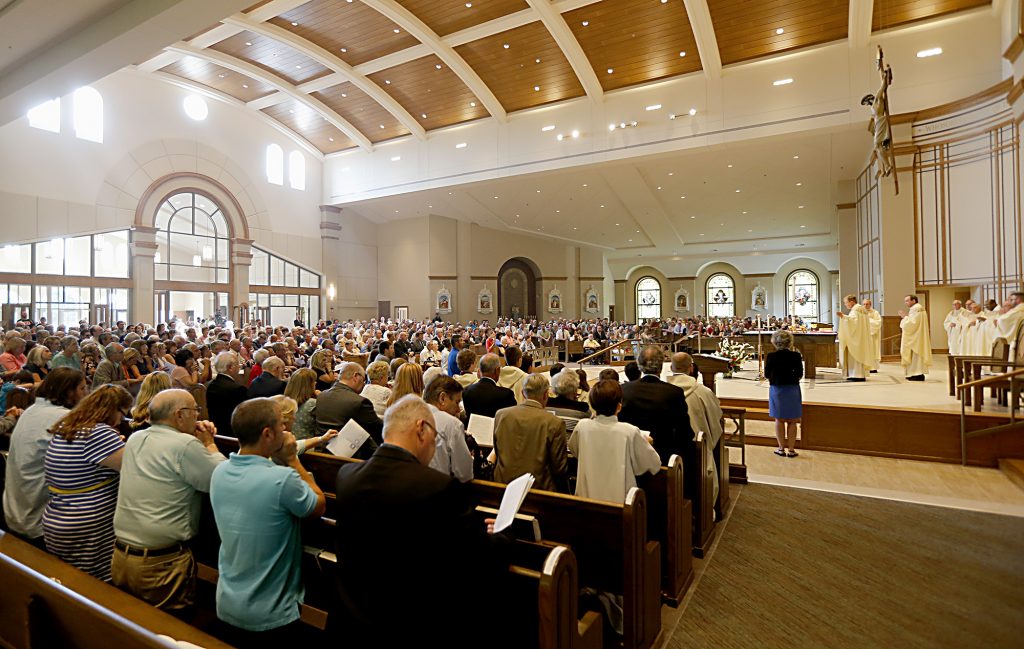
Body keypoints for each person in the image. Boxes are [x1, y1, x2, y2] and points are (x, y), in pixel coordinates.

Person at [332, 395, 510, 649]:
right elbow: (477, 559)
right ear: (422, 429)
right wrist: (502, 536)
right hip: (413, 626)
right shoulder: (437, 487)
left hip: (353, 621)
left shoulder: (347, 476)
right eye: (435, 437)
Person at [210, 398, 326, 644]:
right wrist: (293, 459)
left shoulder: (219, 471)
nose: (286, 431)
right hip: (271, 612)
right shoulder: (282, 479)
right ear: (267, 434)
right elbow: (318, 505)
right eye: (282, 426)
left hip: (227, 600)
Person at [111, 389, 226, 613]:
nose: (198, 416)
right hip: (160, 564)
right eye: (195, 410)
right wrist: (209, 444)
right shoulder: (184, 445)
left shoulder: (137, 437)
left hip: (121, 555)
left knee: (131, 621)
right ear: (179, 414)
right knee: (167, 629)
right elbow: (220, 480)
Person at [43, 385, 133, 580]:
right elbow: (134, 470)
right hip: (87, 524)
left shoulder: (67, 426)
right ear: (112, 410)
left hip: (59, 516)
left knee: (68, 581)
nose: (121, 421)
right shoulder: (99, 433)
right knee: (94, 585)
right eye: (123, 414)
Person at [3, 368, 88, 545]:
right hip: (39, 517)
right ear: (68, 391)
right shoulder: (64, 418)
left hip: (15, 510)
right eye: (82, 389)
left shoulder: (32, 410)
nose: (86, 394)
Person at [569, 379, 661, 503]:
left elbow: (574, 450)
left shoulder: (582, 426)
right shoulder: (629, 431)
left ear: (592, 404)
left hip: (585, 502)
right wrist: (647, 443)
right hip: (620, 505)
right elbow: (654, 464)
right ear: (619, 406)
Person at [492, 374, 569, 492]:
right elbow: (559, 468)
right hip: (538, 491)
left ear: (523, 393)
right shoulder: (555, 423)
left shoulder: (501, 415)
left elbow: (498, 451)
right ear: (545, 395)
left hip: (502, 486)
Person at [619, 346, 692, 466]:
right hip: (664, 459)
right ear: (661, 366)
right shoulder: (674, 392)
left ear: (639, 365)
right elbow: (684, 433)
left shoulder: (624, 390)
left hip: (629, 458)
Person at [664, 352, 723, 503]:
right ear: (691, 368)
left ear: (671, 367)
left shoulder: (663, 391)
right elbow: (717, 418)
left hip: (669, 449)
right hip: (697, 448)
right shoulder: (703, 392)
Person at [315, 362, 383, 451]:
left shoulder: (321, 395)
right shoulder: (360, 402)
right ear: (356, 376)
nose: (364, 384)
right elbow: (379, 430)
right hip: (347, 456)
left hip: (320, 451)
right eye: (363, 380)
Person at [422, 376, 473, 482]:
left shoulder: (407, 414)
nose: (458, 409)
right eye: (457, 402)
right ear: (443, 398)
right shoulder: (452, 424)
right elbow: (464, 474)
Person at [765, 330, 803, 457]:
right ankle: (791, 450)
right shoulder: (796, 356)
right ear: (789, 342)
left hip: (777, 389)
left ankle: (781, 448)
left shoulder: (771, 356)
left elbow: (766, 374)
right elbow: (800, 374)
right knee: (793, 420)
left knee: (779, 419)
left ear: (775, 342)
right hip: (792, 389)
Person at [462, 353, 516, 419]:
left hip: (473, 429)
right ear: (497, 370)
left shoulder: (466, 392)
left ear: (479, 371)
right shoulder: (506, 395)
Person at [206, 352, 248, 436]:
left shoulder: (210, 385)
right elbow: (244, 417)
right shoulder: (238, 389)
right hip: (233, 435)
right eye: (237, 365)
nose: (239, 367)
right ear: (230, 367)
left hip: (216, 433)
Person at [836, 294, 875, 381]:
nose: (845, 305)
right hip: (861, 338)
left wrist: (843, 317)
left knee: (854, 355)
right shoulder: (862, 309)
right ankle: (861, 374)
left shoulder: (855, 311)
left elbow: (852, 323)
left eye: (846, 303)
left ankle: (856, 375)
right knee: (860, 354)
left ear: (852, 302)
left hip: (855, 338)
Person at [898, 294, 931, 381]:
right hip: (917, 336)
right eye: (905, 301)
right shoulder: (918, 308)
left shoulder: (916, 309)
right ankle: (913, 373)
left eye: (907, 300)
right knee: (915, 356)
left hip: (915, 337)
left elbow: (912, 324)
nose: (906, 303)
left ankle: (917, 374)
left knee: (915, 355)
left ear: (914, 300)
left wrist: (904, 317)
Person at [284, 368, 319, 440]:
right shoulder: (312, 403)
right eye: (314, 381)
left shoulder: (284, 401)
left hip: (288, 442)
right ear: (309, 385)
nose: (315, 383)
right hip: (307, 445)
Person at [863, 299, 882, 373]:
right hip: (864, 335)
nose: (865, 306)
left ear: (870, 304)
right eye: (864, 304)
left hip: (873, 336)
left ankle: (873, 367)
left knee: (873, 350)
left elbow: (878, 323)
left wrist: (868, 320)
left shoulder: (875, 312)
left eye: (867, 304)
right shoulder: (861, 313)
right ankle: (866, 366)